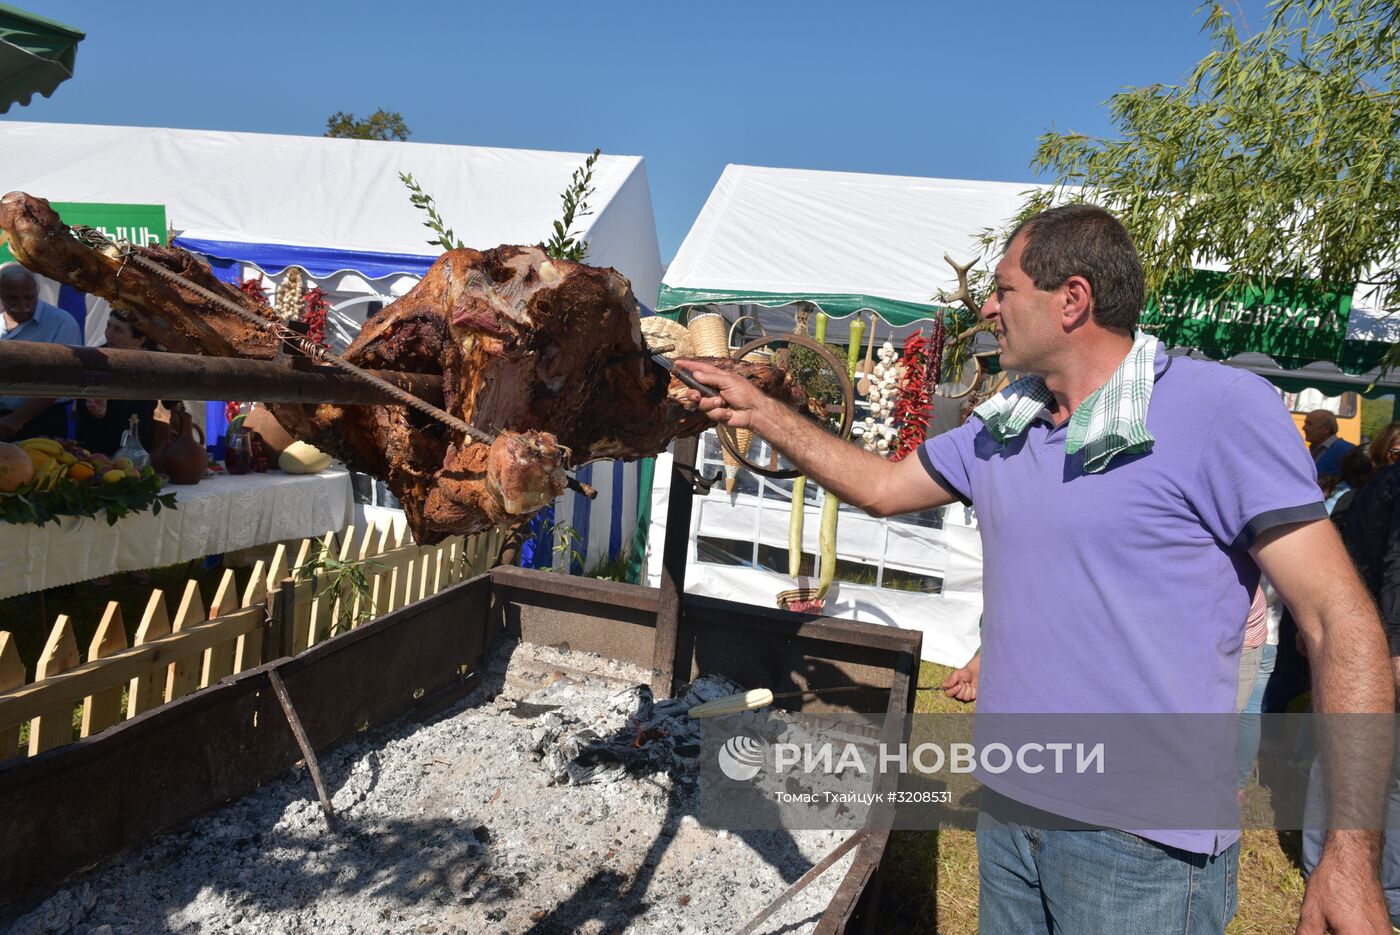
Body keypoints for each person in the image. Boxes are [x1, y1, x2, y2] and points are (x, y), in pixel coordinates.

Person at [678, 204, 1393, 934]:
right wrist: (761, 412)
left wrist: (1349, 854)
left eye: (1003, 289)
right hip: (1010, 810)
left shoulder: (1219, 409)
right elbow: (883, 487)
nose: (987, 308)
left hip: (1141, 846)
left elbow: (1342, 623)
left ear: (1072, 300)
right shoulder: (1004, 426)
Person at [0, 263, 81, 440]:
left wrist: (18, 418)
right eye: (12, 298)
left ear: (37, 291)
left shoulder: (62, 323)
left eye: (28, 297)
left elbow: (62, 380)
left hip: (42, 420)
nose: (22, 305)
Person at [74, 311, 163, 456]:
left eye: (118, 330)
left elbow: (172, 400)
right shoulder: (95, 360)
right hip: (97, 452)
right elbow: (81, 411)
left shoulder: (154, 362)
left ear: (139, 340)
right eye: (108, 326)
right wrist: (95, 411)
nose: (109, 334)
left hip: (138, 453)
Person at [1304, 409, 1356, 476]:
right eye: (1305, 423)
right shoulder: (1315, 449)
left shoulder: (1345, 450)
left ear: (1326, 429)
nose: (1304, 427)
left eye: (1309, 424)